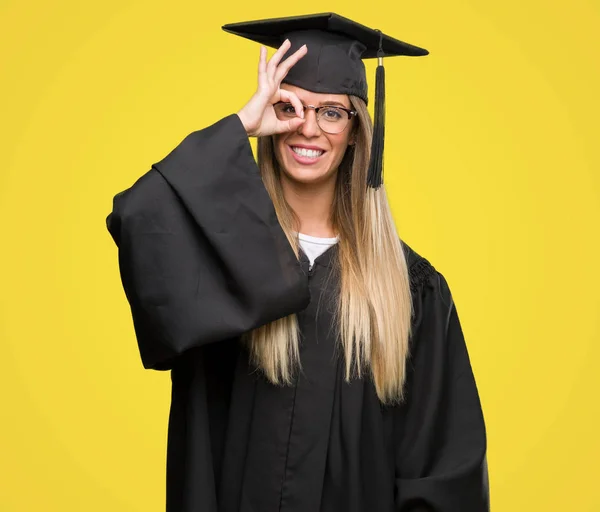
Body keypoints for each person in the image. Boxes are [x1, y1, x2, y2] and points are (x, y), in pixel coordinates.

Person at [106, 12, 489, 512]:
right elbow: (138, 217)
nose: (308, 128)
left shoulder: (409, 289)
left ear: (356, 132)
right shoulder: (221, 260)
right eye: (289, 106)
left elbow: (445, 473)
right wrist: (240, 126)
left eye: (331, 112)